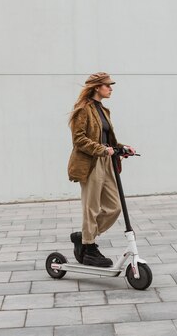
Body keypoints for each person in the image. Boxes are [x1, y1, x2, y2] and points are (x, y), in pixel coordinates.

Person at [67, 72, 135, 267]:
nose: (111, 88)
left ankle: (84, 237)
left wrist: (123, 147)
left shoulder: (104, 110)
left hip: (106, 161)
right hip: (91, 162)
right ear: (97, 87)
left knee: (115, 207)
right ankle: (89, 248)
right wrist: (102, 150)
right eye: (108, 85)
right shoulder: (83, 109)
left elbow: (107, 140)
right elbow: (79, 139)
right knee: (92, 207)